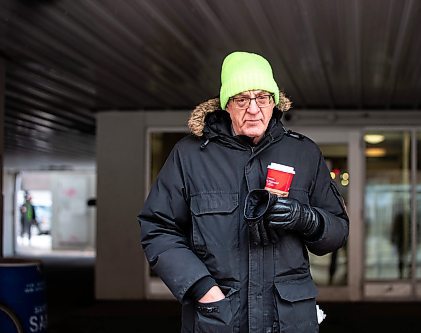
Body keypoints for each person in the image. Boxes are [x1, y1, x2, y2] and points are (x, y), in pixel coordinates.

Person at [138, 51, 349, 333]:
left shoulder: (303, 153)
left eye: (263, 97)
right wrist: (202, 288)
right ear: (227, 105)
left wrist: (306, 219)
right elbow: (156, 227)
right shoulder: (189, 156)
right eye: (241, 99)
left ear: (274, 102)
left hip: (288, 319)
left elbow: (337, 231)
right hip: (219, 316)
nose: (253, 108)